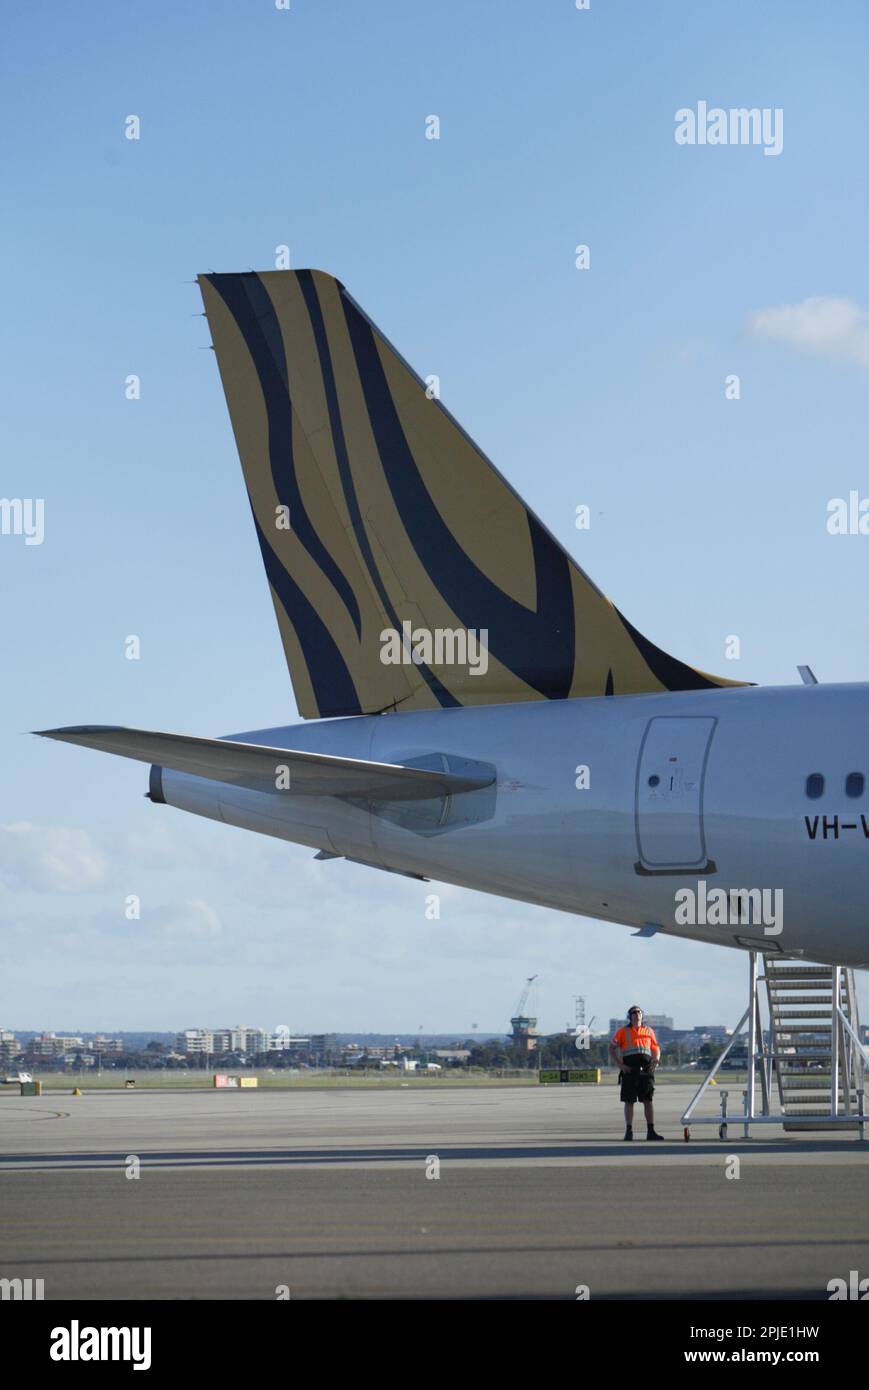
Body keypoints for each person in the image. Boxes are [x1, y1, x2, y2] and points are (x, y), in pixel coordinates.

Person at [609, 1005, 664, 1140]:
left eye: (639, 1012)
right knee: (629, 1101)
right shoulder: (622, 1031)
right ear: (630, 1016)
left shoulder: (649, 1031)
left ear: (642, 1015)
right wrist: (620, 1065)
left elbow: (655, 1047)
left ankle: (651, 1131)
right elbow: (611, 1048)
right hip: (630, 1070)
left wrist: (656, 1060)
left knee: (648, 1100)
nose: (636, 1014)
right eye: (633, 1012)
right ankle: (629, 1131)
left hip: (646, 1070)